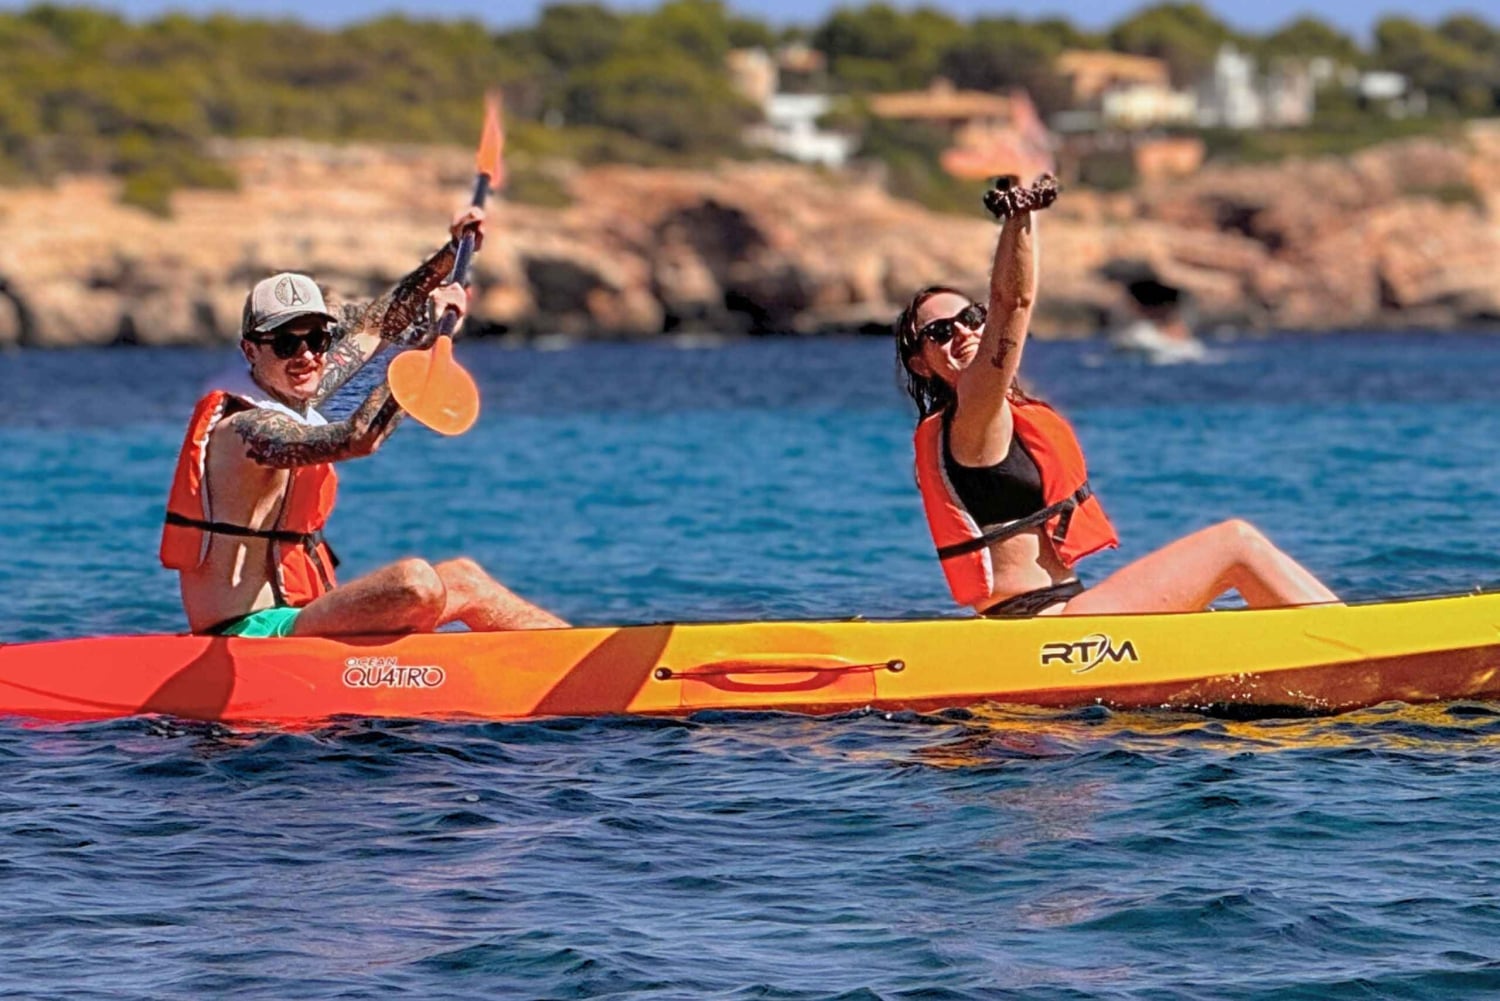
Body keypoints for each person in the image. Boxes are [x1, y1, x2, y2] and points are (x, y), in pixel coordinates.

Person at [895, 174, 1338, 617]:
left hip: (1061, 619)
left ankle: (1316, 653)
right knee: (1235, 544)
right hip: (1047, 626)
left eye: (972, 317)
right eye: (939, 331)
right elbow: (1012, 302)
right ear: (921, 363)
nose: (964, 332)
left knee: (1211, 606)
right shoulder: (974, 413)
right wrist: (1018, 217)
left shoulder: (974, 417)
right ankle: (1354, 646)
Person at [161, 208, 567, 637]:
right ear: (250, 351)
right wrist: (429, 348)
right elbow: (359, 437)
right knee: (416, 582)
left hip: (301, 618)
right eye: (285, 343)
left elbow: (378, 324)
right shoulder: (245, 430)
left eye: (316, 339)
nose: (305, 355)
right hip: (248, 633)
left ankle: (580, 659)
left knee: (465, 577)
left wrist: (453, 252)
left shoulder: (295, 386)